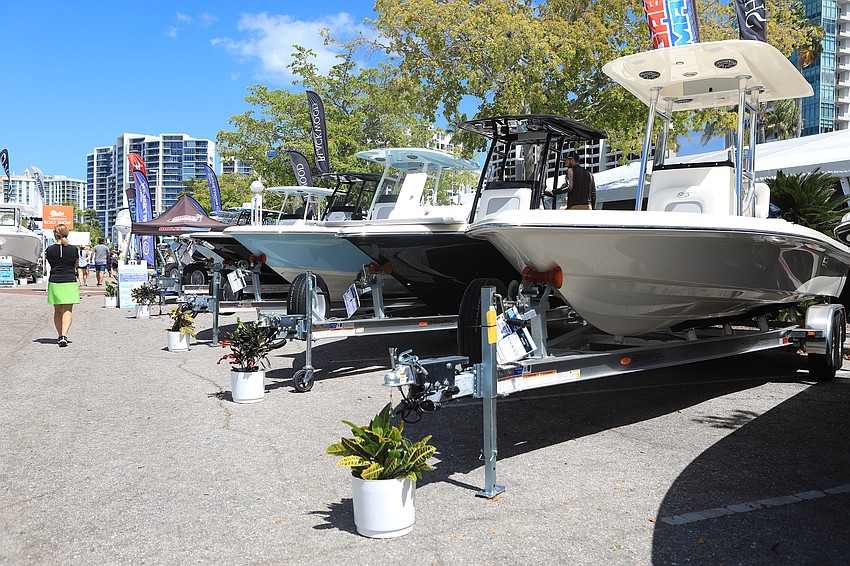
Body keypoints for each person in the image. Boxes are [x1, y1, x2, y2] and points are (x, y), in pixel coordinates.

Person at [45, 224, 80, 347]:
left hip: (55, 280)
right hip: (69, 280)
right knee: (67, 310)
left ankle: (60, 335)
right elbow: (76, 265)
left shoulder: (49, 249)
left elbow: (51, 263)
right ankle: (64, 335)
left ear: (55, 234)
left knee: (57, 310)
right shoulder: (74, 249)